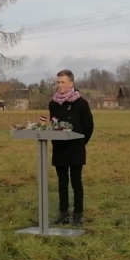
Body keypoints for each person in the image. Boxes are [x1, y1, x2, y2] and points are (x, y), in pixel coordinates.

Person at [48, 69, 95, 226]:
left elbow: (88, 126)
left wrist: (81, 143)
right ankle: (63, 214)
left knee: (76, 182)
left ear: (71, 83)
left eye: (62, 82)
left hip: (76, 148)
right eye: (58, 82)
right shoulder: (53, 103)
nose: (59, 85)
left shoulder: (81, 103)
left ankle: (78, 215)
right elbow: (53, 123)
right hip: (59, 148)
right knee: (62, 182)